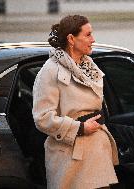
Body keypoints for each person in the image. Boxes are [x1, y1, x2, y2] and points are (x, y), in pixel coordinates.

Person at [32, 15, 118, 189]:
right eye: (88, 35)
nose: (93, 40)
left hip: (96, 154)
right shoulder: (49, 71)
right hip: (71, 158)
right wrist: (79, 128)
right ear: (71, 38)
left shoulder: (90, 66)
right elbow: (42, 118)